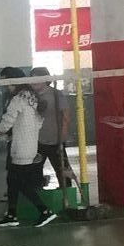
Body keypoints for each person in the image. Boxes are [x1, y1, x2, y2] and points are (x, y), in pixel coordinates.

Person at [0, 68, 57, 230]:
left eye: (7, 82)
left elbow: (6, 123)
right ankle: (11, 215)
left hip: (21, 148)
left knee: (21, 184)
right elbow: (37, 122)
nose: (7, 86)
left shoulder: (18, 99)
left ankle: (45, 211)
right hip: (28, 145)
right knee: (12, 181)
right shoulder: (33, 97)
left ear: (15, 81)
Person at [31, 66, 75, 194]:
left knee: (62, 169)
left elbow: (66, 115)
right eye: (31, 79)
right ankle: (38, 194)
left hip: (55, 139)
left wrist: (63, 135)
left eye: (37, 79)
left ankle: (67, 194)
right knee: (34, 169)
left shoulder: (56, 94)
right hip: (36, 140)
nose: (33, 82)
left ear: (45, 79)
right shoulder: (29, 96)